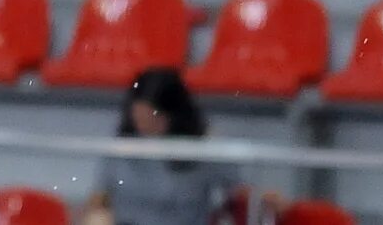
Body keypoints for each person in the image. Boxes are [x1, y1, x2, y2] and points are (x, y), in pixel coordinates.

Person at [82, 68, 281, 225]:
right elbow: (99, 198)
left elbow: (241, 191)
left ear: (173, 115)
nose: (143, 125)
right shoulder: (122, 145)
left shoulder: (203, 149)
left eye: (153, 117)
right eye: (138, 118)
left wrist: (265, 198)